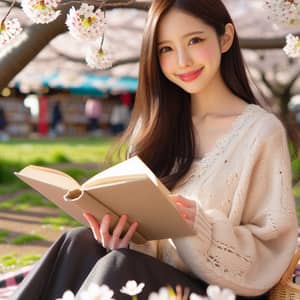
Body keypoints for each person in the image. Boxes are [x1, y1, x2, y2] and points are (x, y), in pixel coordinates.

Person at [10, 0, 298, 299]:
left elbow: (271, 250)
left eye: (195, 40)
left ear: (225, 38)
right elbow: (147, 245)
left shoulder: (260, 132)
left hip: (218, 292)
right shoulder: (156, 126)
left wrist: (201, 227)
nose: (182, 60)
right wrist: (120, 237)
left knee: (121, 266)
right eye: (166, 49)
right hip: (149, 276)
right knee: (78, 241)